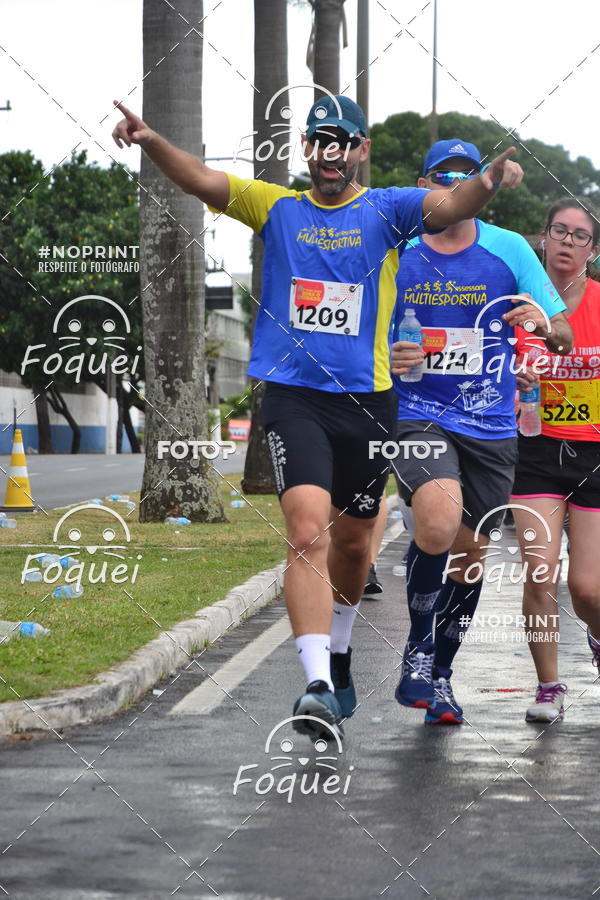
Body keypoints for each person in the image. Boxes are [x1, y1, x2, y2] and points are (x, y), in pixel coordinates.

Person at [113, 100, 524, 741]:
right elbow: (198, 178)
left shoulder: (387, 210)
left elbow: (449, 208)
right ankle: (316, 685)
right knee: (307, 533)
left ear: (360, 150)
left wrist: (488, 179)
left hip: (367, 403)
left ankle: (339, 647)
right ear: (307, 149)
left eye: (345, 143)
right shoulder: (276, 207)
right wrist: (149, 138)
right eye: (320, 142)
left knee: (357, 541)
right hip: (292, 396)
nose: (332, 154)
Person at [389, 139, 573, 725]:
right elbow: (357, 325)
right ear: (422, 184)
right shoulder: (397, 245)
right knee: (439, 521)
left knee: (471, 557)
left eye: (466, 176)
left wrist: (543, 322)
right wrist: (383, 355)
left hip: (492, 425)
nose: (453, 185)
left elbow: (563, 332)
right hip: (419, 413)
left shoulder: (510, 248)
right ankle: (417, 651)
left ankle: (440, 674)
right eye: (441, 176)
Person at [511, 198, 600, 723]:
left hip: (595, 454)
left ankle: (595, 633)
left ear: (593, 249)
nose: (567, 241)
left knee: (587, 588)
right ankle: (548, 686)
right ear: (542, 239)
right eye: (558, 231)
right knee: (539, 573)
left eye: (580, 235)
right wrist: (512, 381)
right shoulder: (518, 302)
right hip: (535, 451)